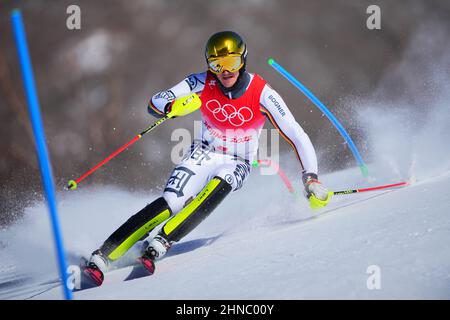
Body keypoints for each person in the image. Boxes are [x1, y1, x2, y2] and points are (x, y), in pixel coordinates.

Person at [82, 31, 331, 286]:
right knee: (172, 201)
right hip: (202, 152)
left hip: (237, 161)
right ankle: (104, 255)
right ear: (209, 65)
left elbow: (296, 134)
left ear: (243, 60)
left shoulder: (262, 93)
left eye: (232, 63)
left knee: (222, 183)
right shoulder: (201, 82)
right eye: (216, 65)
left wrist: (310, 177)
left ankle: (163, 241)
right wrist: (172, 107)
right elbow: (156, 102)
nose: (225, 71)